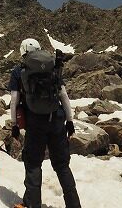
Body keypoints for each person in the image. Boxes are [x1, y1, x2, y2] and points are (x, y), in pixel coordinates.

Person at [8, 38, 81, 208]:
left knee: (33, 164)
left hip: (35, 123)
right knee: (62, 166)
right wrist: (69, 121)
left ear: (23, 51)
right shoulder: (52, 67)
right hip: (57, 120)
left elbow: (14, 101)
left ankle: (32, 204)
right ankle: (74, 205)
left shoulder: (19, 71)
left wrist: (14, 125)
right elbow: (64, 95)